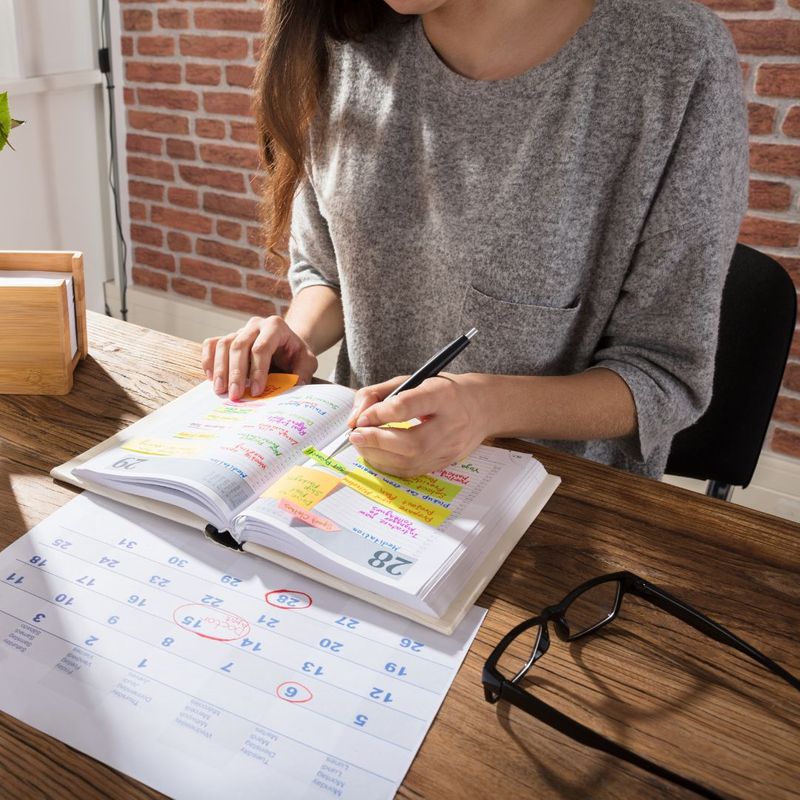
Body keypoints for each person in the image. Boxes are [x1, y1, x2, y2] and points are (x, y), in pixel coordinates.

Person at [201, 0, 748, 479]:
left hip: (557, 506)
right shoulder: (343, 44)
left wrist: (486, 407)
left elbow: (664, 374)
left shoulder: (673, 59)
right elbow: (328, 273)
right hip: (359, 472)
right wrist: (296, 336)